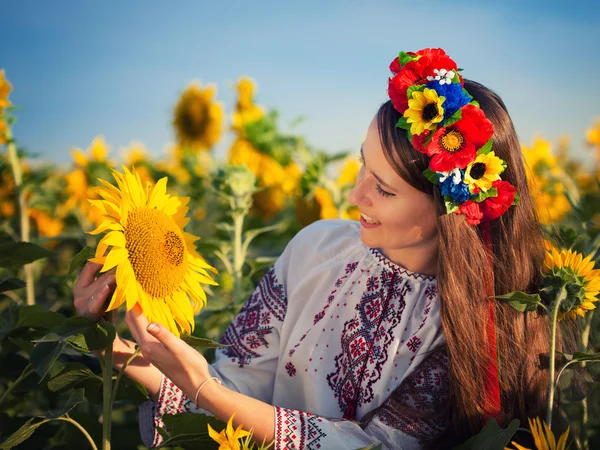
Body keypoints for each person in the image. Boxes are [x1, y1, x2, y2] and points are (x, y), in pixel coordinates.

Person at [73, 48, 553, 449]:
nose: (354, 196)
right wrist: (119, 350)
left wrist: (203, 386)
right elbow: (235, 386)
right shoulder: (318, 245)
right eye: (362, 164)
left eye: (384, 190)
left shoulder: (469, 325)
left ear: (447, 214)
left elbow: (372, 447)